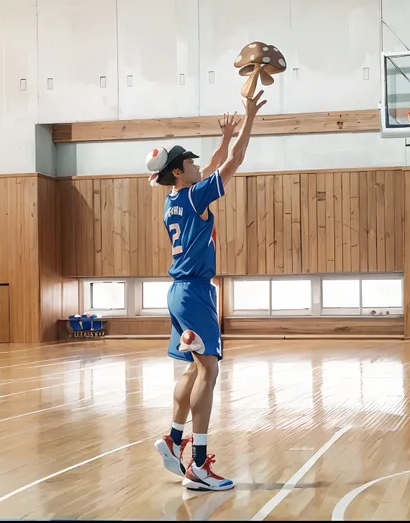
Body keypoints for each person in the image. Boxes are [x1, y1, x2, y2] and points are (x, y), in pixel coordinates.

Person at [149, 91, 267, 491]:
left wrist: (223, 139)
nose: (197, 164)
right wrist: (250, 119)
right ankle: (198, 465)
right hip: (196, 292)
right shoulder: (195, 193)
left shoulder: (172, 200)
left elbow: (215, 163)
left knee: (192, 367)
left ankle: (172, 437)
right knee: (210, 369)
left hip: (178, 292)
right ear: (179, 172)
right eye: (190, 161)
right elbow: (233, 164)